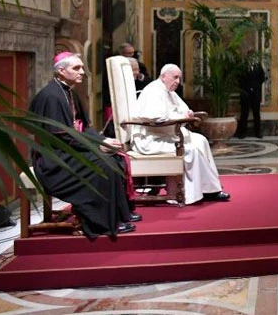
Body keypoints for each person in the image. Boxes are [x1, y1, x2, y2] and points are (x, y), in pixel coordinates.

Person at [29, 52, 137, 238]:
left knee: (115, 158)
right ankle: (102, 223)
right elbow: (60, 137)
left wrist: (102, 140)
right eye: (76, 68)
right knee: (103, 165)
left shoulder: (69, 92)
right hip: (53, 158)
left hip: (70, 149)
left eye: (81, 67)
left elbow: (83, 127)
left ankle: (119, 214)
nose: (82, 72)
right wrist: (95, 147)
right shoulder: (51, 97)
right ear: (61, 71)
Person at [130, 64, 228, 204]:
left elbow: (183, 109)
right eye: (175, 77)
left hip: (166, 134)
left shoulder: (169, 91)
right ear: (164, 77)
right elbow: (157, 119)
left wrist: (187, 114)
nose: (177, 81)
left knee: (201, 140)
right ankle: (189, 194)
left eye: (179, 78)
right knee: (191, 149)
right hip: (150, 139)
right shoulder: (153, 91)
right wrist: (181, 117)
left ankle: (209, 188)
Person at [236, 59, 265, 139]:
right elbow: (239, 79)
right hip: (245, 93)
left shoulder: (258, 66)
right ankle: (242, 133)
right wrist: (247, 88)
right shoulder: (243, 67)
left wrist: (255, 87)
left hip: (255, 93)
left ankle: (258, 132)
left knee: (256, 113)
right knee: (244, 113)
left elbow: (262, 78)